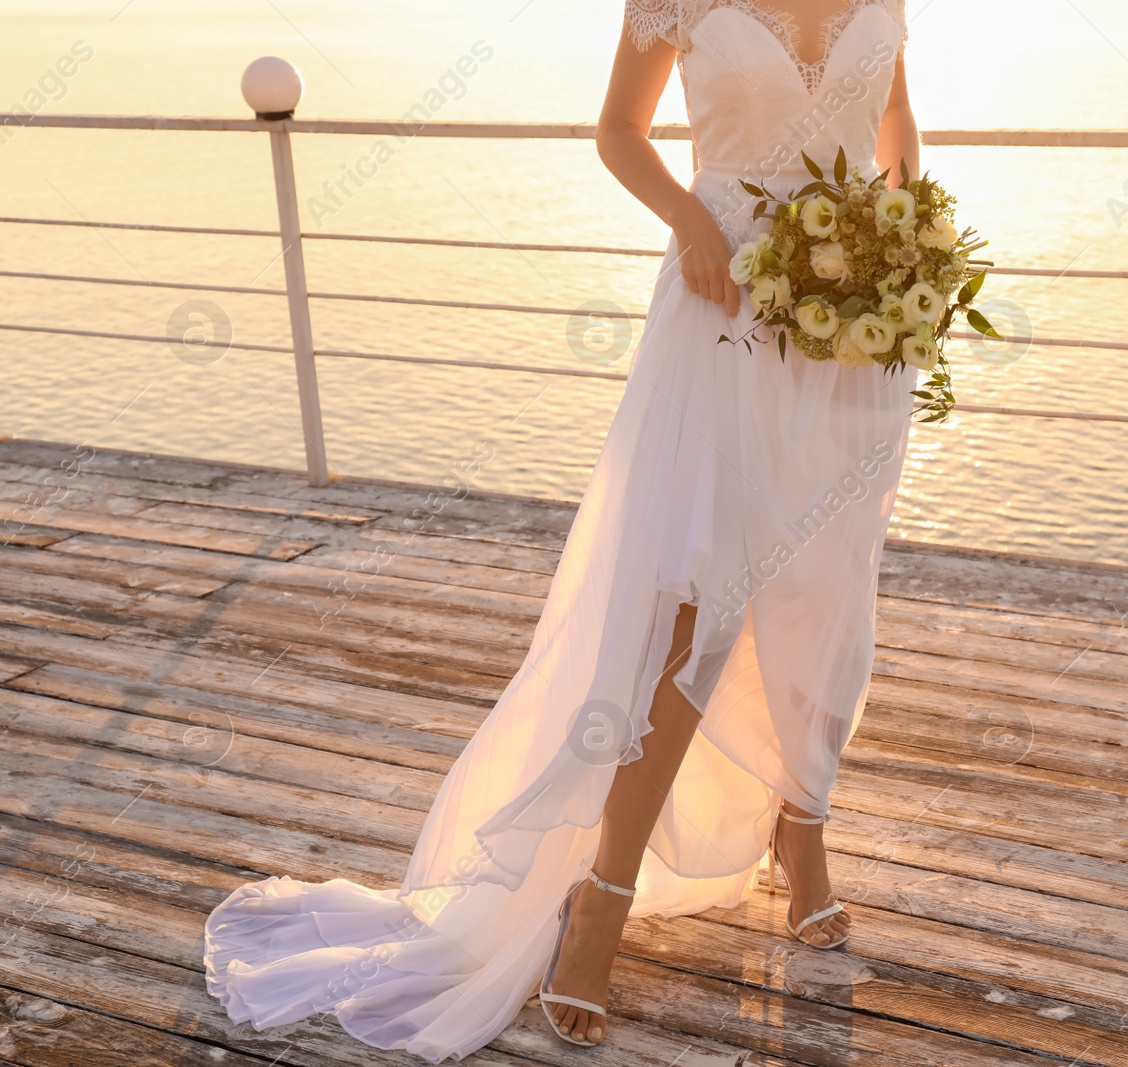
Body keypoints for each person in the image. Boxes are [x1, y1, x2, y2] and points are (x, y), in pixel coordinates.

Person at [204, 0, 918, 1059]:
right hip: (723, 310)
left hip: (854, 334)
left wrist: (908, 252)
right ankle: (602, 892)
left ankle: (800, 836)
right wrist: (691, 220)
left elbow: (897, 141)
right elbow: (619, 132)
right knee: (695, 609)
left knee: (821, 594)